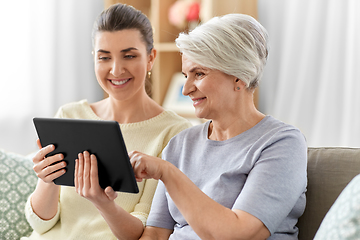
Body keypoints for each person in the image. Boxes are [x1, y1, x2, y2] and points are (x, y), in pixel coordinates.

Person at [129, 13, 308, 240]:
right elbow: (154, 235)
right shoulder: (180, 144)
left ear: (239, 77)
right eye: (186, 75)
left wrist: (167, 172)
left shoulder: (282, 143)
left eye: (199, 74)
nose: (185, 89)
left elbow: (237, 234)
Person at [22, 3, 192, 240]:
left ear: (151, 58)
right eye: (104, 57)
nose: (116, 69)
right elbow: (39, 224)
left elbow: (143, 234)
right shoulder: (70, 116)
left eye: (129, 56)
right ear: (94, 58)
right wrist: (47, 180)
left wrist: (103, 204)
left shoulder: (174, 133)